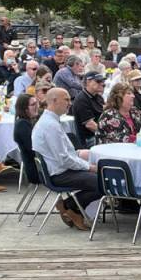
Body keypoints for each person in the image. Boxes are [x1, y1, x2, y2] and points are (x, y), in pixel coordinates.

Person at [31, 88, 100, 230]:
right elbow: (64, 159)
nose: (70, 103)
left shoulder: (50, 121)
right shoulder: (50, 125)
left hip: (58, 170)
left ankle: (70, 206)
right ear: (54, 101)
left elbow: (65, 154)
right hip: (59, 174)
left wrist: (80, 155)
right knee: (104, 182)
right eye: (66, 99)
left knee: (101, 176)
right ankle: (72, 208)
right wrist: (89, 167)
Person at [71, 72, 105, 146]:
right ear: (88, 82)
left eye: (102, 81)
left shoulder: (98, 97)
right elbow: (90, 125)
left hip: (98, 133)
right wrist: (106, 134)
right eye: (98, 81)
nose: (102, 83)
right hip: (90, 138)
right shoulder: (81, 99)